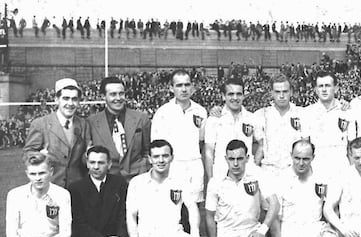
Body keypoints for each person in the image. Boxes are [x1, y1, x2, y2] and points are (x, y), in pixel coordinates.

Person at [273, 139, 342, 237]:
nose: (301, 163)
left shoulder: (322, 177)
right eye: (297, 158)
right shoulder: (281, 178)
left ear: (313, 158)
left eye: (306, 159)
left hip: (313, 228)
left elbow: (332, 208)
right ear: (291, 156)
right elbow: (275, 220)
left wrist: (334, 230)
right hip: (289, 232)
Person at [151, 69, 208, 206]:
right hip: (172, 167)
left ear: (192, 87)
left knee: (193, 212)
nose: (184, 89)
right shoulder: (163, 113)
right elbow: (155, 145)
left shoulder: (200, 111)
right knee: (172, 211)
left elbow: (202, 141)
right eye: (179, 85)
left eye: (187, 85)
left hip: (193, 167)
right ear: (171, 88)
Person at [24, 78, 91, 188]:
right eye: (66, 98)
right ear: (56, 99)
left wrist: (89, 156)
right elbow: (28, 154)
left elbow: (84, 157)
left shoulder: (84, 124)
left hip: (77, 188)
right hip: (50, 186)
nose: (70, 103)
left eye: (74, 99)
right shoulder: (40, 124)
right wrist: (39, 156)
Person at [87, 76, 151, 181]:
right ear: (103, 96)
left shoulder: (141, 118)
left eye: (121, 94)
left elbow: (148, 151)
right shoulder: (91, 122)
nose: (118, 98)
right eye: (113, 94)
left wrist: (142, 168)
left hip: (136, 179)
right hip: (107, 181)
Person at [204, 78, 264, 179]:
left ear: (244, 95)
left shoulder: (252, 118)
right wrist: (212, 180)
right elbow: (209, 151)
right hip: (222, 175)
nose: (235, 98)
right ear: (223, 96)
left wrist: (254, 165)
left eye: (239, 94)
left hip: (247, 177)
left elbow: (262, 144)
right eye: (231, 94)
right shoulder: (214, 119)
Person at [303, 71, 356, 174]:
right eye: (320, 86)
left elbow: (352, 147)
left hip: (341, 167)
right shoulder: (307, 113)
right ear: (315, 90)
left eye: (327, 86)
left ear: (335, 88)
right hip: (317, 167)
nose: (323, 89)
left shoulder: (347, 111)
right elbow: (305, 146)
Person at [256, 74, 303, 175]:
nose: (281, 96)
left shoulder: (302, 114)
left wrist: (342, 105)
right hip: (269, 170)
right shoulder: (261, 114)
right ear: (271, 93)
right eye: (277, 92)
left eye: (285, 91)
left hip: (294, 171)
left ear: (291, 92)